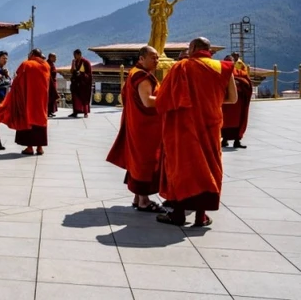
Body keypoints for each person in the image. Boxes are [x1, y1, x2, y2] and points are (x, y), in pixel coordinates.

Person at [155, 37, 237, 228]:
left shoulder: (181, 67)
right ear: (209, 50)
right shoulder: (224, 67)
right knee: (208, 168)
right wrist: (210, 100)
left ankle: (178, 214)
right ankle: (201, 216)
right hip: (210, 126)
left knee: (183, 167)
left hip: (185, 128)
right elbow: (232, 98)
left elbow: (163, 100)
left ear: (192, 49)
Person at [106, 46, 165, 212]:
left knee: (138, 160)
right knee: (145, 160)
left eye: (158, 57)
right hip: (145, 127)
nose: (156, 60)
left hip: (137, 122)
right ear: (141, 59)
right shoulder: (142, 77)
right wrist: (169, 98)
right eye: (153, 57)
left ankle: (138, 197)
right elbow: (147, 101)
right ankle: (144, 201)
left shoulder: (134, 73)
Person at [0, 49, 51, 155]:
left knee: (28, 120)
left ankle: (29, 148)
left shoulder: (26, 64)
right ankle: (40, 148)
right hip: (41, 100)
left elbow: (17, 81)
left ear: (32, 54)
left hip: (28, 99)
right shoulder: (46, 65)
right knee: (40, 120)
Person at [221, 54, 252, 149]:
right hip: (226, 102)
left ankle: (237, 140)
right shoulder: (221, 73)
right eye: (226, 61)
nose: (228, 63)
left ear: (234, 62)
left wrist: (239, 82)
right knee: (224, 120)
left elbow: (247, 83)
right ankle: (224, 140)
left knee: (239, 120)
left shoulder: (240, 73)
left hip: (239, 102)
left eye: (230, 61)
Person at [70, 49, 93, 118]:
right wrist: (73, 64)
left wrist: (81, 74)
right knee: (75, 97)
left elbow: (89, 74)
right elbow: (72, 71)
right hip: (76, 82)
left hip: (84, 84)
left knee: (84, 98)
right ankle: (75, 111)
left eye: (75, 55)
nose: (74, 56)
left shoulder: (86, 62)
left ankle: (85, 113)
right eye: (73, 55)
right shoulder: (75, 62)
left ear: (79, 54)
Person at [47, 53, 59, 118]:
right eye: (54, 57)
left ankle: (51, 111)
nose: (56, 59)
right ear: (51, 57)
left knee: (52, 97)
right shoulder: (48, 64)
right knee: (50, 97)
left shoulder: (51, 64)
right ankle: (48, 111)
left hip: (53, 82)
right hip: (50, 83)